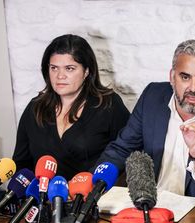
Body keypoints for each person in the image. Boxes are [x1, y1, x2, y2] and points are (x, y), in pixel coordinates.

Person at [97, 39, 195, 205]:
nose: (193, 88)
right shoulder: (152, 97)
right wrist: (93, 185)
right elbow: (121, 150)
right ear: (172, 77)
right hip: (147, 208)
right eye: (185, 77)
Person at [13, 34, 130, 180]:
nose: (60, 76)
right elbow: (21, 164)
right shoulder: (35, 107)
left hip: (92, 199)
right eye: (54, 68)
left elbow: (127, 158)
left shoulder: (109, 105)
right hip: (43, 199)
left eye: (69, 68)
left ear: (86, 71)